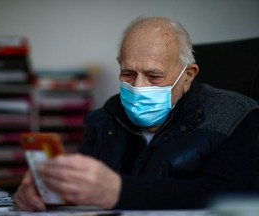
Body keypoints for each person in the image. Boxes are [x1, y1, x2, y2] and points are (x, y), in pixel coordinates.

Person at [14, 16, 259, 211]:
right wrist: (52, 190)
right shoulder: (103, 120)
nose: (139, 87)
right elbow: (84, 195)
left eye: (154, 76)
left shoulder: (234, 117)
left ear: (188, 76)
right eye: (128, 74)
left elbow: (226, 197)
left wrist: (119, 191)